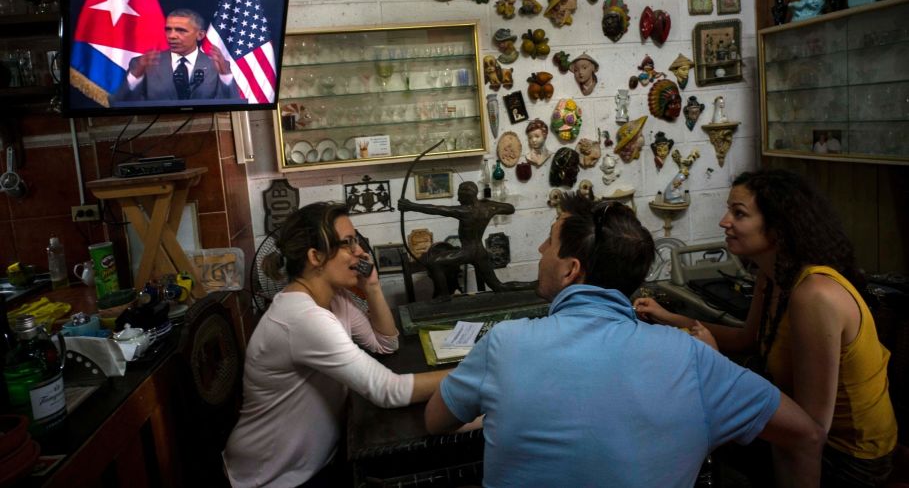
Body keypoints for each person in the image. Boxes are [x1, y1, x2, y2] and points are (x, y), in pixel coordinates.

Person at [425, 192, 825, 487]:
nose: (541, 249)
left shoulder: (504, 344)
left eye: (549, 241)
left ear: (571, 271)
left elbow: (436, 419)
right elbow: (806, 434)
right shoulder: (692, 358)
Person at [634, 169, 898, 487]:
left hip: (847, 458)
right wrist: (668, 317)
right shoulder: (771, 276)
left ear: (778, 228)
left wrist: (714, 365)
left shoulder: (815, 295)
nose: (724, 222)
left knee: (691, 433)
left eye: (739, 213)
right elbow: (746, 340)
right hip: (811, 440)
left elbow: (810, 431)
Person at [223, 202, 448, 487]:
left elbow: (386, 343)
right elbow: (388, 390)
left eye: (356, 241)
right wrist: (476, 371)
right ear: (315, 256)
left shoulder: (335, 300)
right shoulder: (302, 318)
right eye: (347, 243)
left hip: (318, 462)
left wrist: (372, 287)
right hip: (271, 477)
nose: (359, 251)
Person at [398, 181, 517, 296]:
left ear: (467, 197)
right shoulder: (489, 207)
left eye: (460, 197)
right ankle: (532, 284)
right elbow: (510, 208)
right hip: (481, 252)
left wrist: (410, 206)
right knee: (499, 287)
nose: (458, 200)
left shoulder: (464, 211)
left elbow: (435, 209)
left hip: (468, 252)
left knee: (433, 262)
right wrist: (487, 202)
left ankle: (444, 296)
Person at [111, 9, 240, 102]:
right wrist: (136, 76)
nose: (172, 36)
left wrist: (225, 76)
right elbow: (117, 102)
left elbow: (233, 104)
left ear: (200, 35)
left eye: (181, 30)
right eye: (168, 30)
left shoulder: (218, 66)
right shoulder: (142, 64)